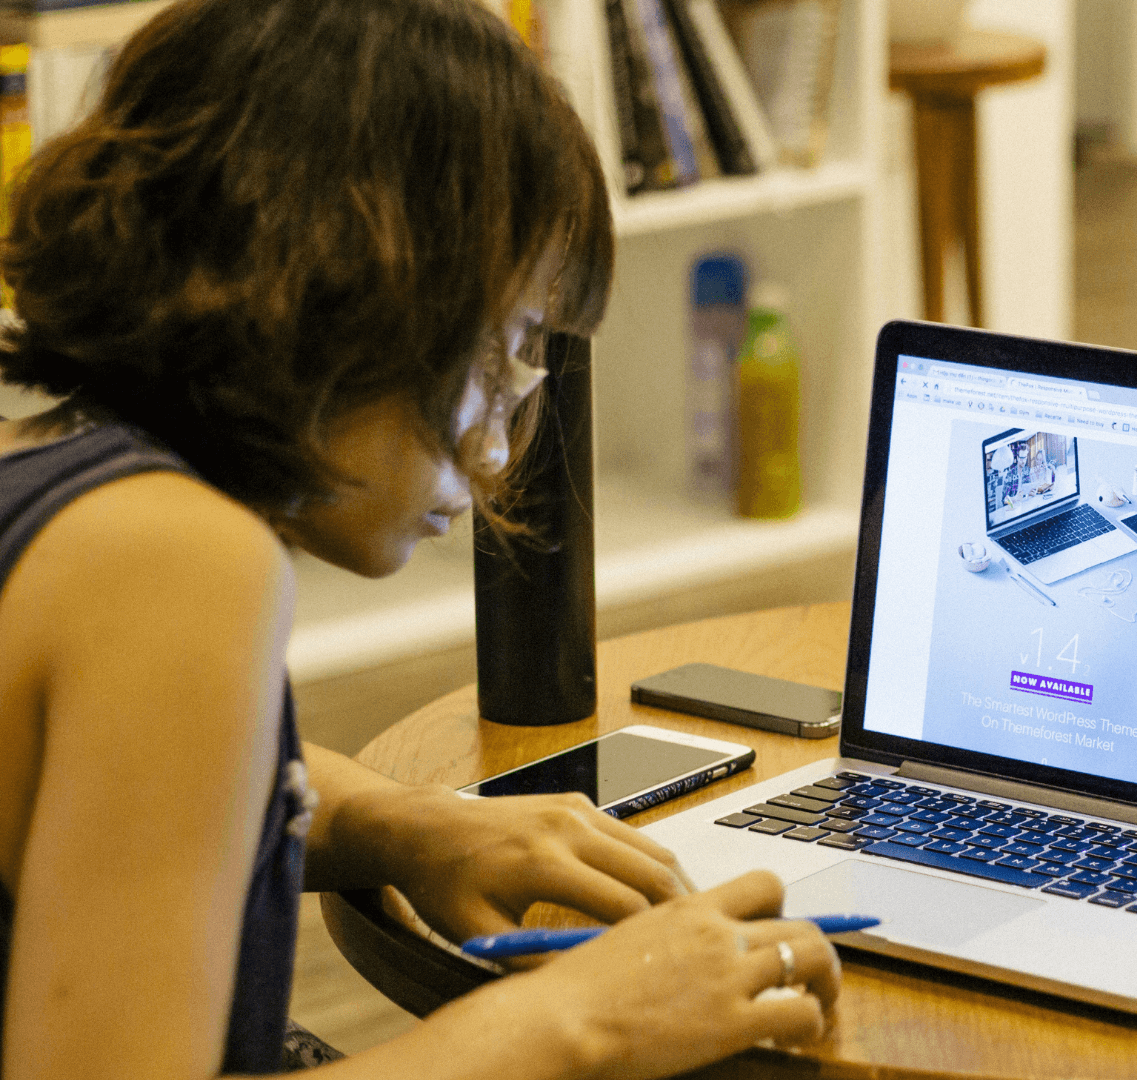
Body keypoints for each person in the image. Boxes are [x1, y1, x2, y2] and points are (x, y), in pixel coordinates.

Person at [0, 1, 837, 1077]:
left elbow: (124, 788)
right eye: (502, 349)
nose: (496, 443)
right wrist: (579, 1021)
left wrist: (402, 823)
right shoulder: (182, 564)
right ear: (351, 290)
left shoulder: (49, 465)